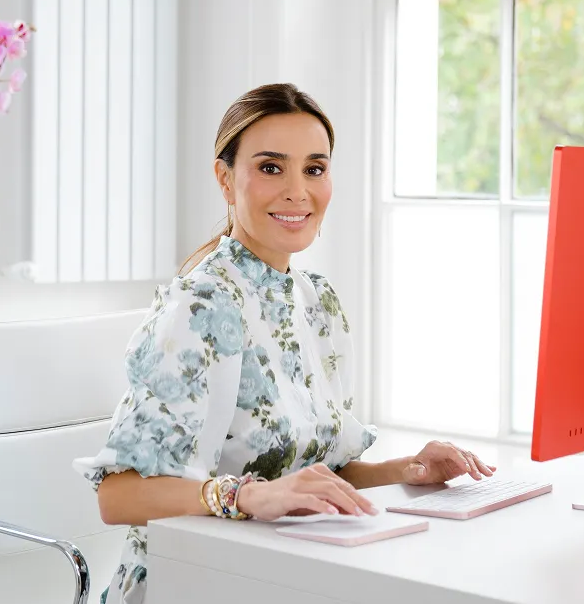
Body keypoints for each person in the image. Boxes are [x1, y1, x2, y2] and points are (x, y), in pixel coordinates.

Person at [73, 83, 496, 604]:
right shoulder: (200, 307)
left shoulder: (317, 302)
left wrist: (406, 471)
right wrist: (249, 497)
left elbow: (315, 474)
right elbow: (119, 497)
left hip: (283, 572)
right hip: (193, 581)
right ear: (225, 179)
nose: (298, 191)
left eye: (314, 169)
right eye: (272, 167)